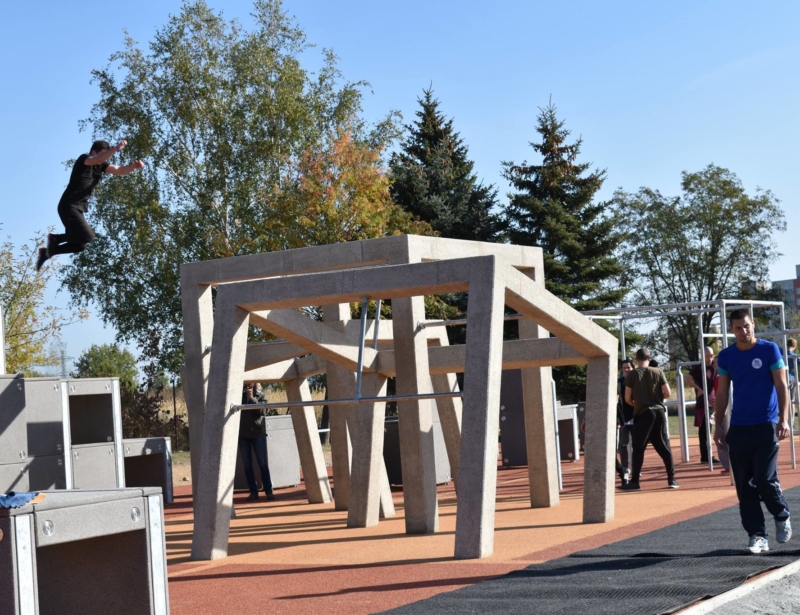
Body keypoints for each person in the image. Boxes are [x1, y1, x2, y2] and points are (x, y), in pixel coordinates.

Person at [714, 309, 791, 554]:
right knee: (744, 486)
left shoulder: (769, 350)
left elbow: (782, 386)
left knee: (764, 479)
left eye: (746, 326)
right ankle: (757, 535)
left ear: (753, 324)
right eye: (738, 328)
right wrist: (719, 426)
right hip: (739, 427)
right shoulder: (726, 356)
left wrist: (784, 420)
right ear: (732, 330)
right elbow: (722, 393)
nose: (743, 331)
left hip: (766, 424)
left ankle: (781, 514)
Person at [36, 140, 145, 270]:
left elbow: (119, 170)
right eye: (103, 155)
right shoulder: (85, 159)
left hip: (77, 208)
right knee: (88, 236)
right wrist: (116, 148)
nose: (104, 159)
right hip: (69, 205)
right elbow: (97, 159)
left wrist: (133, 166)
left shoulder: (101, 165)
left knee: (80, 245)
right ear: (94, 151)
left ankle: (46, 253)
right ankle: (55, 239)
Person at [621, 348, 678, 490]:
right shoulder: (658, 371)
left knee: (638, 448)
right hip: (659, 412)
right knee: (664, 446)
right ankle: (672, 480)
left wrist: (637, 404)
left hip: (643, 414)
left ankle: (635, 482)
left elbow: (627, 398)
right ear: (649, 358)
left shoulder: (632, 375)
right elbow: (668, 392)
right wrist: (657, 399)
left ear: (636, 359)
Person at [239, 383, 275, 502]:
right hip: (243, 435)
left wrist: (252, 398)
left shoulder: (261, 395)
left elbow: (263, 411)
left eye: (251, 382)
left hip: (257, 434)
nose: (248, 384)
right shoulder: (238, 395)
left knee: (262, 463)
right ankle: (253, 492)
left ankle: (268, 491)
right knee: (247, 465)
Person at [686, 347, 717, 464]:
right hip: (704, 402)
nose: (709, 358)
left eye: (711, 356)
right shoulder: (700, 368)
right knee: (704, 430)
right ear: (703, 356)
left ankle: (708, 455)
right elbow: (687, 379)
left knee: (711, 429)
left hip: (714, 402)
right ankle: (706, 456)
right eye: (707, 356)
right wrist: (699, 389)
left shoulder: (715, 367)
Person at [617, 358, 635, 485]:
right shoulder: (619, 382)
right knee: (623, 444)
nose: (626, 369)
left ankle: (635, 468)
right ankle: (625, 468)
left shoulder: (637, 381)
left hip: (635, 417)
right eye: (624, 368)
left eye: (628, 367)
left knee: (636, 445)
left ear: (633, 368)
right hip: (623, 419)